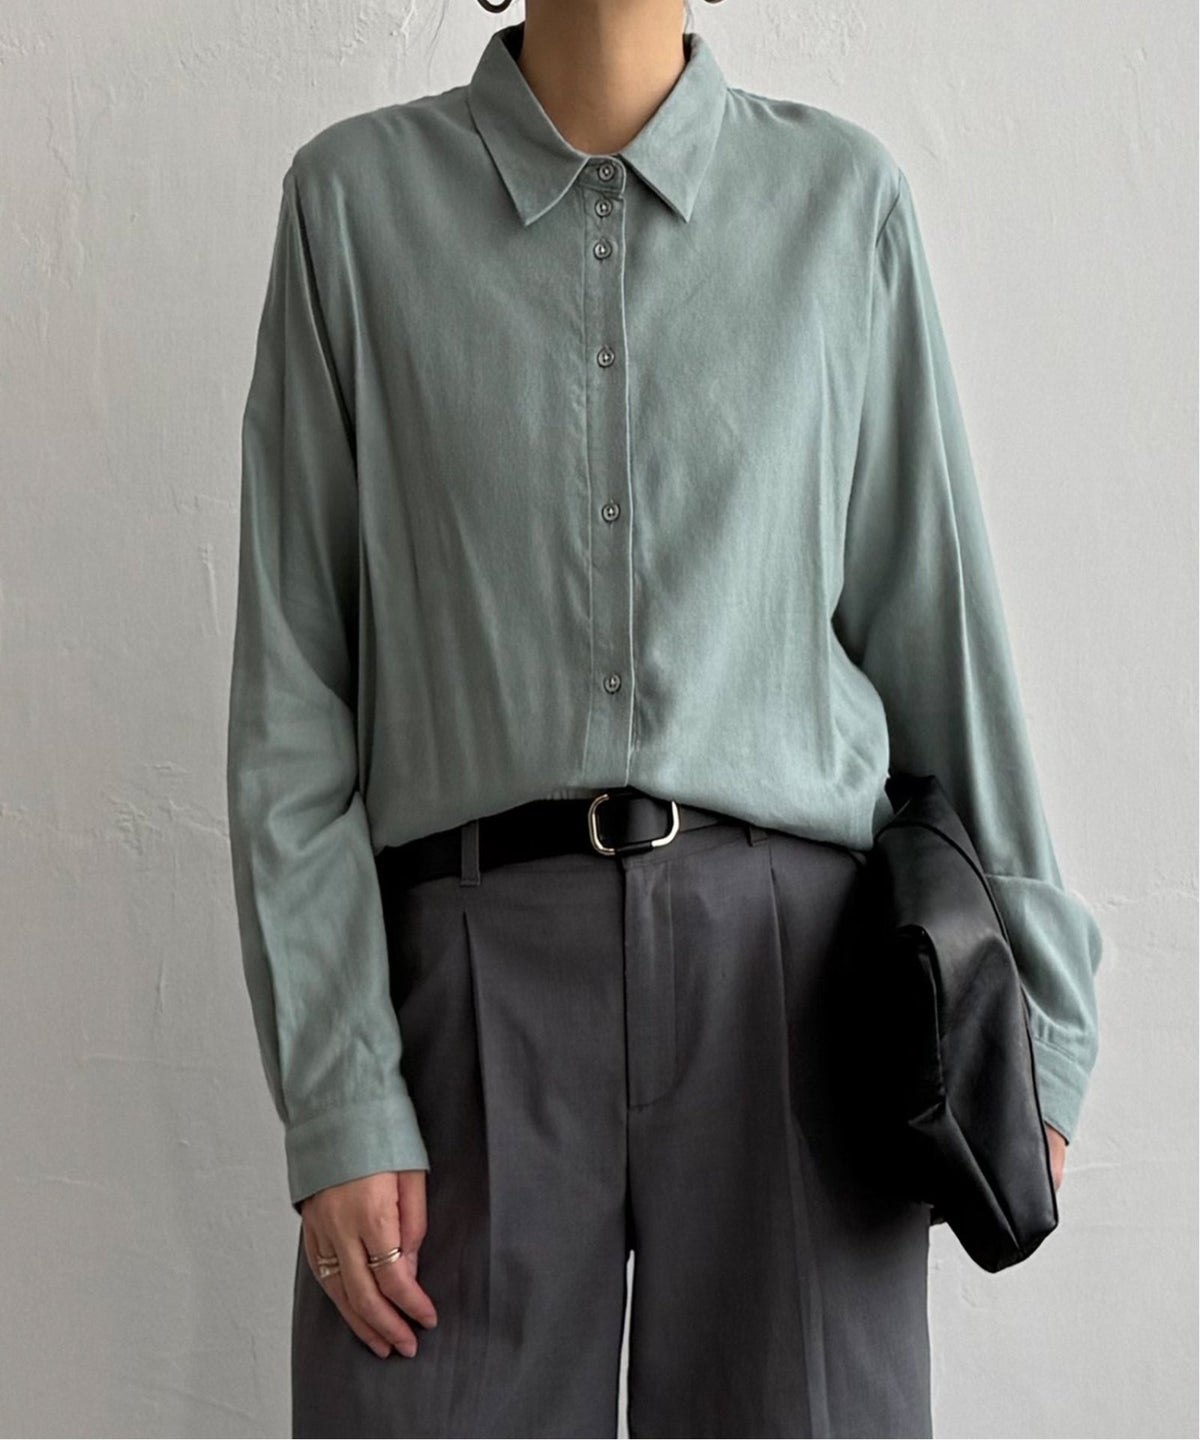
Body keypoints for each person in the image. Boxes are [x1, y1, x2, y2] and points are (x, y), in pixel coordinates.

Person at [225, 2, 1104, 1436]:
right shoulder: (354, 208)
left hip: (795, 993)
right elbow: (294, 694)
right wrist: (338, 1090)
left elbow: (939, 632)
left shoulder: (839, 204)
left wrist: (1042, 1021)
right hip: (464, 992)